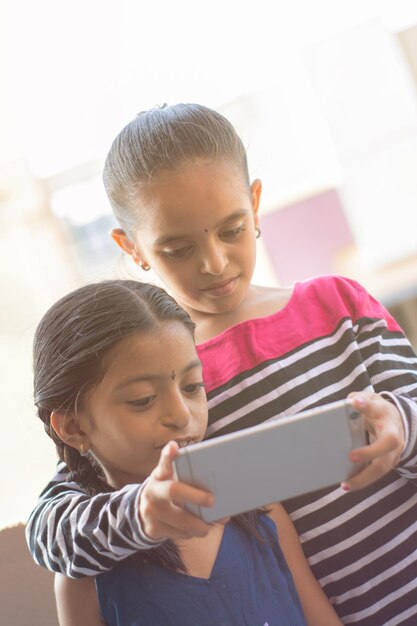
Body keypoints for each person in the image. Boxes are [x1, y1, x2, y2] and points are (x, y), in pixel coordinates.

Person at [26, 103, 417, 625]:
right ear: (133, 247)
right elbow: (51, 530)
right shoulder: (166, 381)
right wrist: (144, 510)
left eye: (231, 229)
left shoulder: (339, 306)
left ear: (255, 205)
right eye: (177, 248)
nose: (213, 263)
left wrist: (401, 425)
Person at [33, 278, 342, 626]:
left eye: (193, 386)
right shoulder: (84, 574)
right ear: (74, 427)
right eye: (143, 400)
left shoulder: (263, 512)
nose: (181, 415)